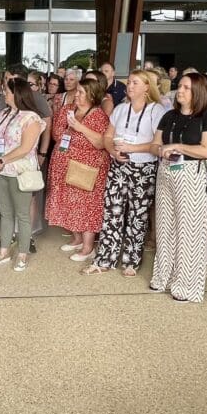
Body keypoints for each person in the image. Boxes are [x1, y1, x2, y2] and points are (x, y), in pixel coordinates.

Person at [82, 70, 167, 277]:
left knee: (137, 215)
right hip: (119, 166)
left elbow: (158, 143)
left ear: (147, 87)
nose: (129, 86)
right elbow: (108, 137)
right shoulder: (120, 109)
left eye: (135, 83)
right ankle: (105, 258)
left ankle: (132, 260)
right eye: (128, 83)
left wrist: (132, 149)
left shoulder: (157, 111)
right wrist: (113, 151)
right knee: (112, 212)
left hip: (144, 168)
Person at [150, 72, 207, 303]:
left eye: (186, 87)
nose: (179, 90)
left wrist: (177, 146)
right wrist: (160, 149)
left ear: (199, 91)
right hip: (167, 172)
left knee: (190, 232)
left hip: (194, 174)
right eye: (179, 86)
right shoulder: (169, 116)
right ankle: (163, 278)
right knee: (164, 227)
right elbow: (155, 144)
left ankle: (187, 286)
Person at [45, 78, 111, 262]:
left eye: (82, 92)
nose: (77, 95)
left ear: (92, 95)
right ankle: (77, 239)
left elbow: (100, 143)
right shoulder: (67, 110)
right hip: (63, 166)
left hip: (86, 169)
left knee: (86, 205)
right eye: (78, 91)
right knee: (68, 202)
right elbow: (57, 134)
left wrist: (79, 127)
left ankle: (88, 247)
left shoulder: (98, 116)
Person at [0, 79, 46, 271]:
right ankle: (4, 252)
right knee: (5, 214)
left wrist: (3, 159)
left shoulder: (32, 118)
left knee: (22, 215)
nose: (4, 93)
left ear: (17, 93)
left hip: (20, 171)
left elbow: (25, 148)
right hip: (1, 170)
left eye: (7, 91)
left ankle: (22, 254)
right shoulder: (3, 113)